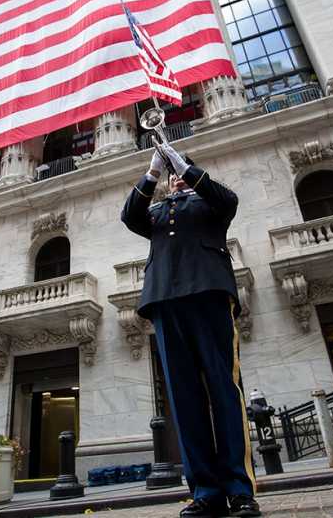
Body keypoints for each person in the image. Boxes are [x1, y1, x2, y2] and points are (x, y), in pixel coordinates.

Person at [121, 143, 260, 518]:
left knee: (224, 391)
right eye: (173, 175)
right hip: (166, 300)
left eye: (181, 173)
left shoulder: (211, 204)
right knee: (184, 401)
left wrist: (188, 167)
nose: (176, 179)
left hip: (209, 295)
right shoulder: (155, 211)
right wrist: (151, 175)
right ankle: (205, 491)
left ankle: (238, 489)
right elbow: (128, 215)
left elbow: (227, 198)